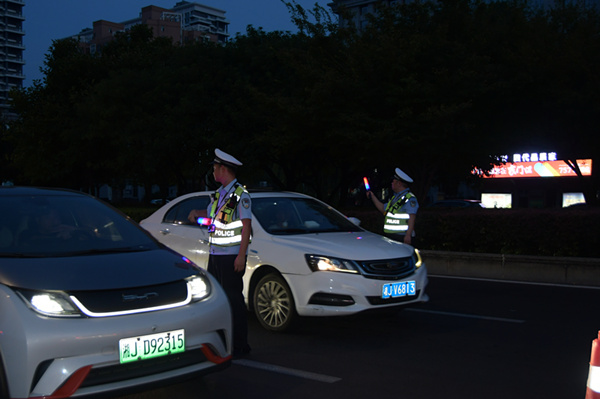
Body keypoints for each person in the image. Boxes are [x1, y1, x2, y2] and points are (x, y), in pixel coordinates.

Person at [188, 148, 252, 357]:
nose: (213, 172)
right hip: (215, 255)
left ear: (222, 168)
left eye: (215, 168)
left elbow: (246, 226)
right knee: (216, 300)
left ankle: (241, 347)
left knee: (234, 301)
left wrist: (241, 255)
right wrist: (197, 215)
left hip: (231, 256)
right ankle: (222, 342)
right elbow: (214, 220)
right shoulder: (219, 195)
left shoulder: (240, 195)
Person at [366, 168, 419, 245]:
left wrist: (408, 235)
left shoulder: (409, 198)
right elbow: (383, 209)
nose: (391, 183)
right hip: (391, 236)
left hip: (402, 237)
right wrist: (373, 197)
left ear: (399, 184)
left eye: (393, 182)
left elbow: (412, 216)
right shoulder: (395, 198)